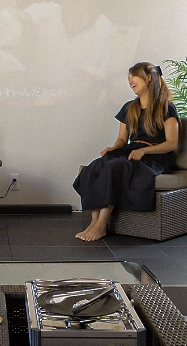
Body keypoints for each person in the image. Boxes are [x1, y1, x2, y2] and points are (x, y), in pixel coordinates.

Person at [72, 62, 181, 241]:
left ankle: (101, 225)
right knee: (96, 166)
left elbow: (171, 144)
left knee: (115, 167)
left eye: (134, 77)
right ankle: (93, 222)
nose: (130, 82)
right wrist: (113, 149)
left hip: (154, 157)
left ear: (148, 78)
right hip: (132, 151)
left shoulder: (166, 107)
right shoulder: (129, 108)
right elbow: (122, 140)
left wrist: (145, 151)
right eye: (129, 78)